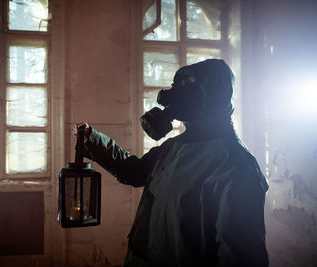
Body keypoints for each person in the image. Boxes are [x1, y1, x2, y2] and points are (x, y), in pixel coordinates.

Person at [74, 59, 269, 266]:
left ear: (212, 94)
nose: (175, 95)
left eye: (188, 85)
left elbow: (240, 257)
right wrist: (92, 139)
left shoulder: (235, 164)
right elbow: (134, 172)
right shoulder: (174, 146)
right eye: (179, 85)